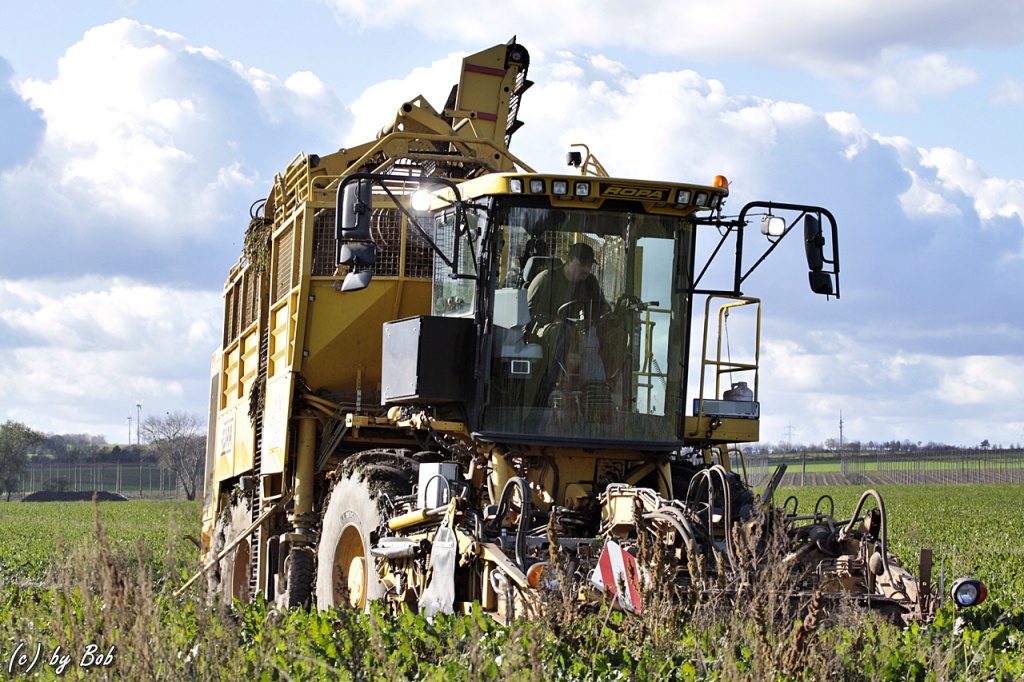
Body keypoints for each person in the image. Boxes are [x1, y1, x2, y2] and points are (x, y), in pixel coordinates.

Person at [526, 242, 609, 325]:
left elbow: (602, 309)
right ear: (569, 260)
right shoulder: (546, 279)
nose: (586, 270)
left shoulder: (591, 282)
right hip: (548, 328)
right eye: (582, 264)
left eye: (589, 265)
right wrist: (553, 321)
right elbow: (526, 312)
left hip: (582, 330)